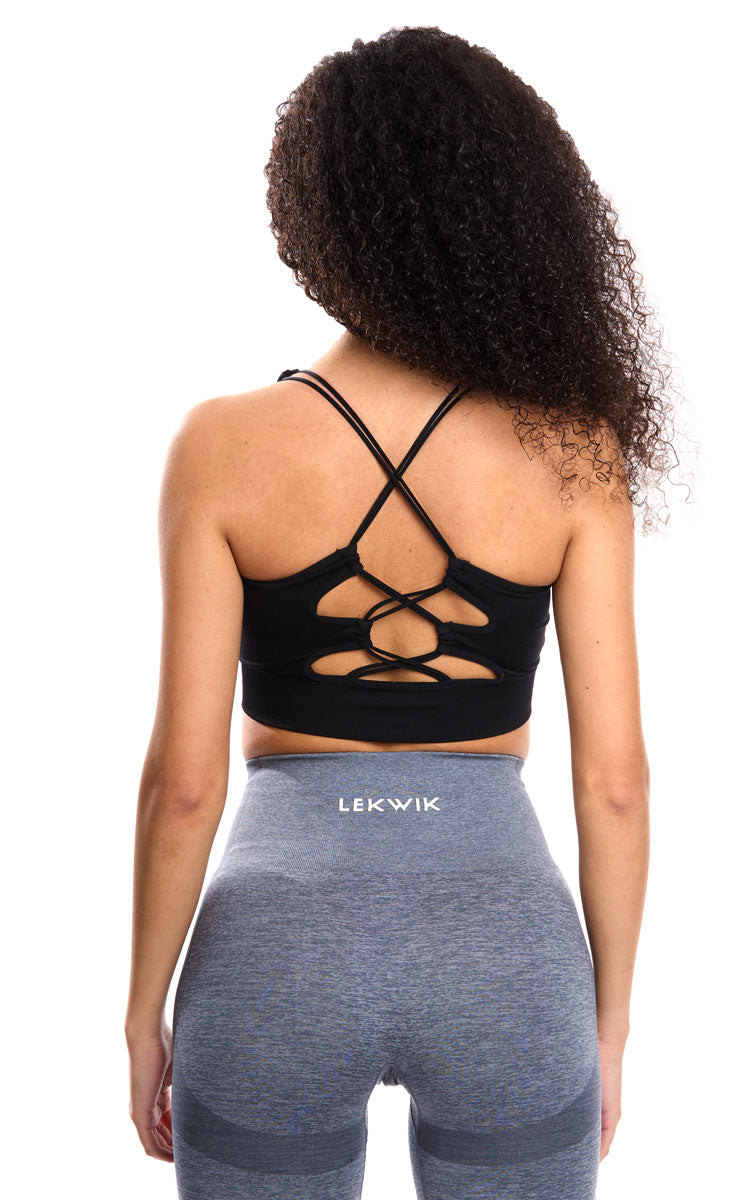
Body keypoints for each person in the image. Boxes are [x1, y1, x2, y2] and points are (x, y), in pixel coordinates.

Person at [125, 25, 669, 1200]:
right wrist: (607, 1024)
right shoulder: (570, 450)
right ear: (509, 214)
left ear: (317, 222)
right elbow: (615, 782)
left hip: (275, 956)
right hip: (506, 954)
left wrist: (141, 1015)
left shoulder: (221, 446)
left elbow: (184, 783)